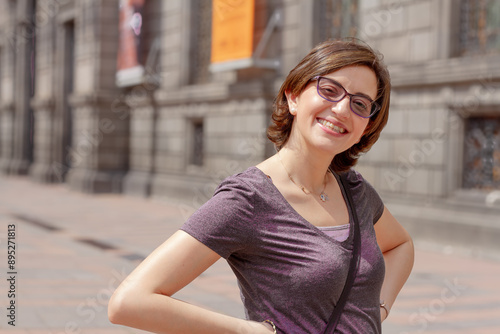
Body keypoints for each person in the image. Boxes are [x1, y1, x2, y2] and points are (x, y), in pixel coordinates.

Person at [108, 38, 414, 333]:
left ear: (366, 126)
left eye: (360, 103)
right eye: (330, 89)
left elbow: (401, 245)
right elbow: (129, 302)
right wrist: (249, 331)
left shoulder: (355, 191)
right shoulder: (248, 199)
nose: (342, 109)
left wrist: (378, 309)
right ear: (294, 96)